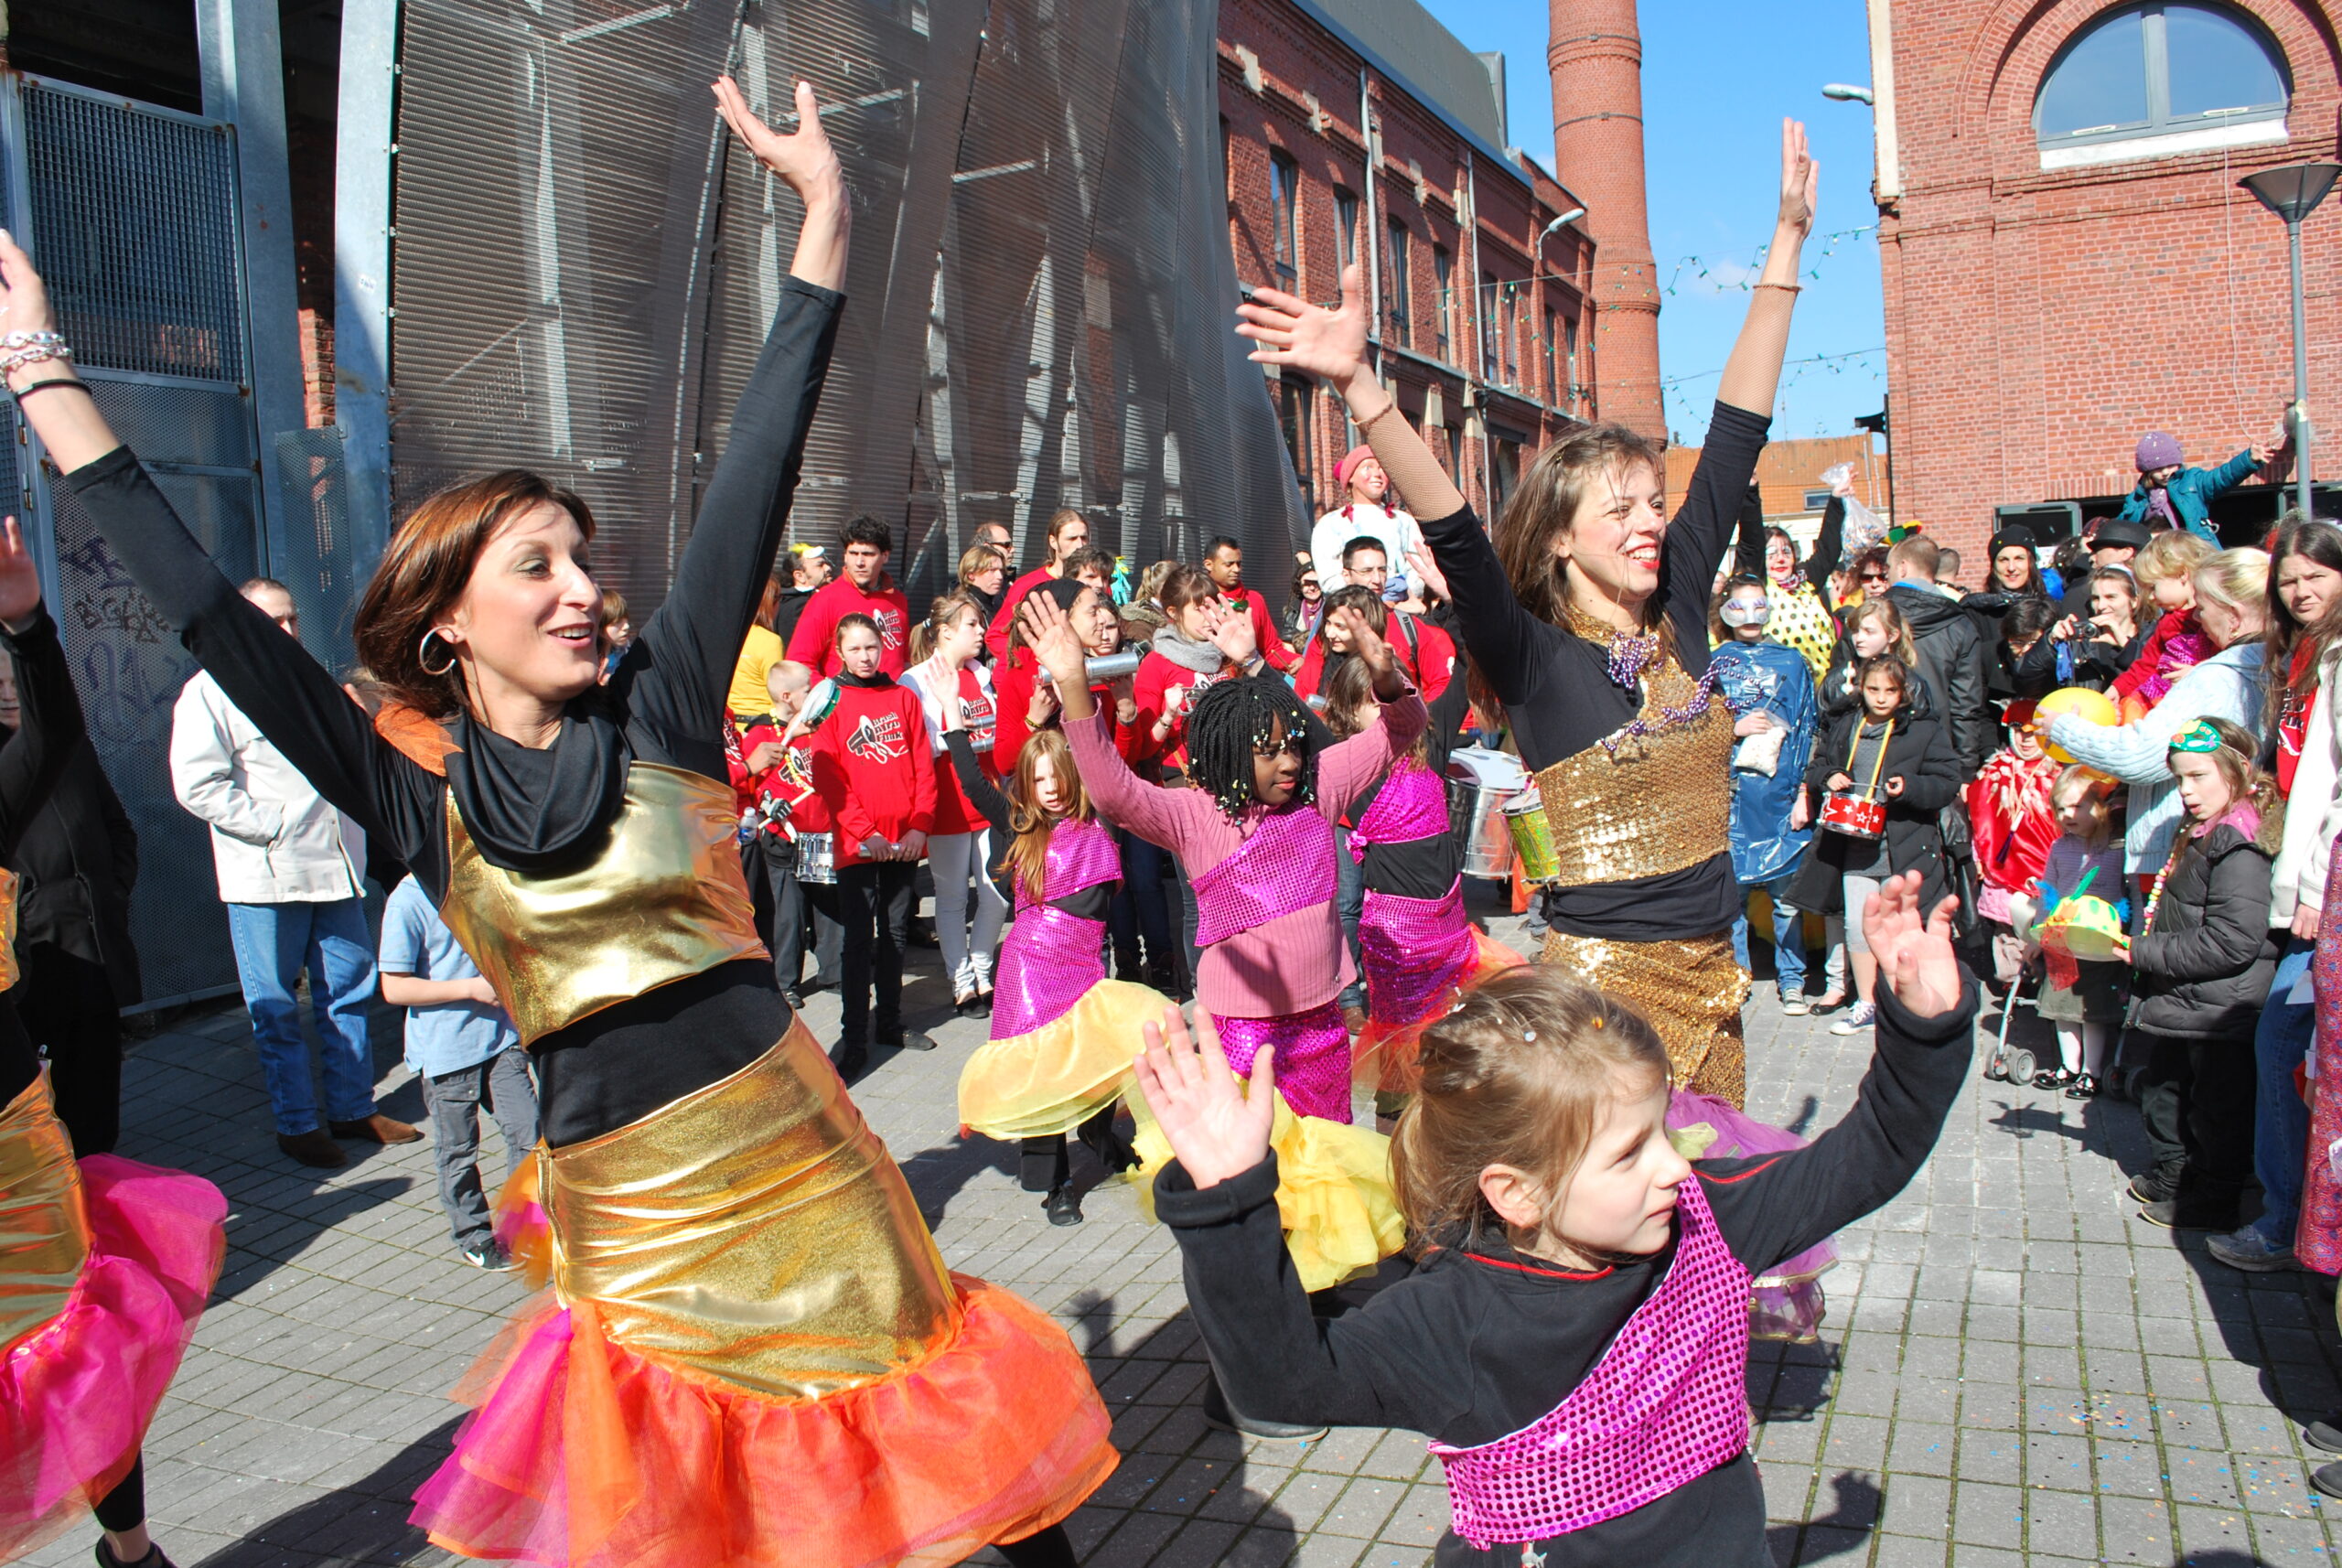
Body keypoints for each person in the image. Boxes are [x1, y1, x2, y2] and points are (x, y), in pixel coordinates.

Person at [20, 80, 1109, 1568]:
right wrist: (39, 367)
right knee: (728, 1526)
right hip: (636, 1237)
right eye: (535, 564)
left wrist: (829, 215)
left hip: (806, 1173)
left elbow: (760, 455)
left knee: (966, 1473)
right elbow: (208, 610)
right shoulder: (413, 797)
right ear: (447, 620)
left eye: (584, 556)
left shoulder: (661, 709)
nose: (582, 584)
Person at [1133, 873, 1975, 1567]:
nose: (1676, 1165)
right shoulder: (1455, 1318)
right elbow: (1283, 1383)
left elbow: (1866, 1158)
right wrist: (1228, 1202)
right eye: (1628, 1153)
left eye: (1658, 1132)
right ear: (1518, 1193)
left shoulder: (1702, 1224)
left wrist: (1924, 1029)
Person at [1239, 118, 1821, 1106]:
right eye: (1620, 509)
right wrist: (1361, 385)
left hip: (1713, 990)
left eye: (1653, 504)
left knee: (1706, 1229)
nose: (1649, 525)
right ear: (1558, 538)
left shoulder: (1676, 608)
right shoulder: (1536, 658)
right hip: (1603, 1008)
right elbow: (1459, 533)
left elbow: (1734, 437)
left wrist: (1788, 247)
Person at [0, 512, 226, 1568]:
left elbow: (47, 739)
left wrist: (29, 627)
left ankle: (130, 1550)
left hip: (11, 1144)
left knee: (75, 1346)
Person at [1050, 594, 1424, 1125]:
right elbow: (1113, 794)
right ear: (1228, 755)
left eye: (1292, 746)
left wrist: (1387, 678)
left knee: (1322, 1172)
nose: (1290, 762)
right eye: (1268, 751)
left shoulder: (1322, 786)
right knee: (1256, 1169)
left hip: (1321, 1024)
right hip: (1240, 1030)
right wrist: (1072, 683)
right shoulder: (1194, 815)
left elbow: (1401, 728)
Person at [169, 576, 414, 1169]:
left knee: (348, 996)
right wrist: (271, 825)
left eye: (291, 619)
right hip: (267, 877)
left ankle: (352, 1109)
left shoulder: (315, 683)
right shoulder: (209, 693)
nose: (285, 631)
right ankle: (297, 1124)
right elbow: (197, 784)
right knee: (276, 1007)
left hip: (336, 869)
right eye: (269, 621)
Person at [942, 718, 1155, 1226]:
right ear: (1026, 785)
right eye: (1038, 779)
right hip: (1029, 969)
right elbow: (973, 784)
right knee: (1042, 1072)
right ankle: (1055, 1184)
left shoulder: (1097, 821)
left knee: (1092, 1059)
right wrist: (952, 721)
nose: (1052, 788)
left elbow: (1112, 768)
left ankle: (1101, 1136)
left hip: (1083, 964)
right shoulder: (1020, 824)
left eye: (1058, 776)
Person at [2218, 516, 2342, 1272]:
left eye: (2315, 577)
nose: (2300, 592)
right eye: (2289, 581)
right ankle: (2291, 1218)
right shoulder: (2303, 656)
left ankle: (2284, 1222)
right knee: (2289, 1050)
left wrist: (2313, 884)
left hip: (2323, 892)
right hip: (2304, 881)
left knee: (2283, 1044)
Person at [1320, 650, 1522, 1101]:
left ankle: (1441, 1132)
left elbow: (1467, 669)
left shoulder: (1430, 743)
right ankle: (1395, 1151)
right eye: (1375, 699)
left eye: (1395, 696)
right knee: (1400, 1051)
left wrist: (1458, 596)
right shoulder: (1345, 768)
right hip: (1398, 936)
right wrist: (1254, 661)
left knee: (1449, 1041)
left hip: (1449, 925)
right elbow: (1307, 724)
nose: (1389, 708)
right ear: (1350, 711)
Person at [2121, 718, 2280, 1231]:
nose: (2187, 791)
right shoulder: (2209, 830)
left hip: (2219, 1006)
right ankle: (2174, 1176)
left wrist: (2141, 952)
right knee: (2166, 1092)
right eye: (2180, 779)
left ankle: (2213, 1200)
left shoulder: (2239, 843)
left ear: (2234, 770)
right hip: (2188, 997)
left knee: (2216, 1111)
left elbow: (2232, 940)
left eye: (2198, 776)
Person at [2047, 550, 2271, 897]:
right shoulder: (2274, 667)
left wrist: (2064, 729)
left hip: (2183, 847)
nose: (2196, 615)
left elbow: (2143, 755)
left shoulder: (2217, 679)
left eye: (2203, 606)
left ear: (2234, 615)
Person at [0, 649, 139, 1156]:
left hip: (96, 942)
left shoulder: (70, 746)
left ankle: (103, 1187)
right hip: (33, 959)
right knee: (44, 1107)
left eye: (17, 679)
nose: (9, 692)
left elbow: (118, 827)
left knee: (99, 1089)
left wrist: (113, 889)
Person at [1789, 656, 1961, 1036]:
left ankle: (1905, 1002)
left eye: (1890, 691)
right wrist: (1829, 775)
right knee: (1857, 927)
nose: (1881, 698)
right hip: (1854, 842)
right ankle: (1866, 1003)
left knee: (1899, 928)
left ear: (1903, 693)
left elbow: (1948, 780)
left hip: (1903, 844)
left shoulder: (1923, 731)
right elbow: (1817, 766)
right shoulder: (1847, 724)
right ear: (1861, 689)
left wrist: (1910, 787)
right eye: (1873, 690)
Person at [378, 874, 539, 1270]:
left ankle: (526, 1228)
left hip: (501, 1041)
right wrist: (469, 989)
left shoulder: (479, 877)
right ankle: (473, 1234)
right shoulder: (407, 901)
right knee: (458, 1150)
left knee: (531, 1134)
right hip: (447, 1055)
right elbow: (394, 989)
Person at [810, 615, 939, 1071]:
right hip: (859, 845)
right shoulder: (830, 700)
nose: (865, 656)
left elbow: (924, 765)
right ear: (840, 652)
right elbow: (827, 775)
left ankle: (889, 1022)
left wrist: (919, 826)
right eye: (856, 648)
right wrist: (868, 834)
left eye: (872, 647)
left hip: (903, 842)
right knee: (858, 940)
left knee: (897, 933)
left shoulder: (902, 697)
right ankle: (854, 1037)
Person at [1712, 577, 1821, 1013]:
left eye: (1757, 605)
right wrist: (1730, 728)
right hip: (1734, 800)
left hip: (1780, 800)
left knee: (1787, 900)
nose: (1750, 617)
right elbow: (1692, 728)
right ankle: (1739, 977)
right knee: (1732, 903)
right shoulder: (1714, 665)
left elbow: (1811, 728)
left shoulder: (1792, 663)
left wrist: (1803, 794)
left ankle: (1791, 979)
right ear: (1726, 612)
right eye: (1739, 607)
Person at [902, 592, 1005, 1016]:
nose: (981, 632)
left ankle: (983, 970)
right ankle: (961, 982)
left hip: (989, 798)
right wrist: (953, 725)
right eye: (972, 625)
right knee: (951, 899)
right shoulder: (916, 679)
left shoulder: (982, 674)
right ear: (944, 633)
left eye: (980, 624)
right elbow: (919, 747)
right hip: (945, 801)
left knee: (997, 893)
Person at [729, 660, 838, 1005]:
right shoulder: (761, 734)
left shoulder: (815, 728)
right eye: (808, 690)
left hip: (818, 830)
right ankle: (785, 981)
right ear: (789, 696)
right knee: (788, 913)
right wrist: (767, 803)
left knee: (828, 908)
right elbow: (751, 783)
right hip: (783, 837)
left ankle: (834, 971)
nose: (812, 694)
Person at [2021, 768, 2128, 1096]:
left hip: (2099, 938)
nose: (2067, 815)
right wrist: (2035, 935)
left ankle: (2091, 1071)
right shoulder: (2060, 847)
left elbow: (2129, 893)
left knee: (2092, 1009)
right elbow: (2048, 891)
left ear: (2099, 805)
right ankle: (2069, 1066)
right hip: (2062, 938)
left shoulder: (2117, 847)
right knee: (2062, 1007)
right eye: (2060, 809)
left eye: (2076, 807)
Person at [1963, 703, 2060, 990]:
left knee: (2045, 927)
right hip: (2004, 867)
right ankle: (2013, 979)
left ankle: (2044, 977)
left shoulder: (2057, 773)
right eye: (2019, 731)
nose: (2026, 739)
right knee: (2007, 930)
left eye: (2034, 732)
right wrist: (1979, 856)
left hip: (2045, 868)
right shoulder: (1995, 773)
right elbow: (1981, 821)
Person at [1882, 535, 1991, 773]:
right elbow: (1966, 705)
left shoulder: (1874, 617)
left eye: (1888, 568)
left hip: (1879, 748)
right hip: (1936, 753)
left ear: (1902, 568)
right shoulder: (1960, 624)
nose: (1885, 576)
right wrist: (1965, 769)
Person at [786, 513, 913, 677]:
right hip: (844, 698)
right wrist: (832, 698)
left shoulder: (898, 600)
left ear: (885, 556)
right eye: (853, 553)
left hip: (893, 700)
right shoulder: (826, 599)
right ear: (845, 556)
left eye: (868, 554)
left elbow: (904, 661)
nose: (859, 562)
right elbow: (798, 662)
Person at [1329, 537, 1458, 694]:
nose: (1377, 579)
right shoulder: (1330, 627)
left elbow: (1440, 682)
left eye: (1382, 570)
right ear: (1346, 575)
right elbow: (1308, 689)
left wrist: (1419, 714)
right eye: (1367, 571)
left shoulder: (1411, 627)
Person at [2110, 529, 2216, 719]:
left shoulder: (2215, 615)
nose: (2150, 597)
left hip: (2204, 702)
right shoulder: (2169, 621)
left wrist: (2201, 673)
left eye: (2153, 587)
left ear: (2182, 574)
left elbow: (2231, 658)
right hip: (2165, 698)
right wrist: (2118, 687)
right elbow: (2147, 663)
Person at [1733, 510, 1842, 680]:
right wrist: (1750, 494)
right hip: (1782, 684)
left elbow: (1828, 551)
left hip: (1823, 685)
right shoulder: (1760, 588)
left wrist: (1838, 498)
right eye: (1771, 554)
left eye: (1786, 552)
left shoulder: (1807, 583)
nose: (1780, 559)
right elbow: (1750, 544)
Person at [2119, 428, 2277, 542]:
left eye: (2171, 465)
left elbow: (2222, 476)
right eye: (2158, 469)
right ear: (2147, 472)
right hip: (2154, 556)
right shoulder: (2137, 498)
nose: (2166, 472)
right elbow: (2122, 530)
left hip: (2191, 552)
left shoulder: (2192, 482)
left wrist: (2249, 459)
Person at [1311, 444, 1424, 598]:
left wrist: (1401, 593)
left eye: (1381, 467)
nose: (1377, 474)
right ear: (1350, 476)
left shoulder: (1405, 521)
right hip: (1351, 611)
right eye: (1368, 467)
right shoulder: (1331, 523)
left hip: (1400, 609)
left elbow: (1419, 567)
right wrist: (1367, 597)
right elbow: (1328, 577)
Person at [985, 508, 1090, 659]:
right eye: (1072, 539)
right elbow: (996, 637)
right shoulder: (1027, 585)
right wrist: (1030, 661)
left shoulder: (1097, 583)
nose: (1080, 545)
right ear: (1053, 541)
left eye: (1084, 538)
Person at [1201, 536, 1300, 673]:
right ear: (1208, 565)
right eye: (1228, 564)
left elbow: (1271, 649)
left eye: (1239, 564)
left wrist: (1297, 661)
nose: (1236, 569)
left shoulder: (1255, 600)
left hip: (1248, 682)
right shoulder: (1197, 601)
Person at [769, 543, 825, 647]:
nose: (828, 568)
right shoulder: (800, 605)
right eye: (820, 565)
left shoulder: (784, 600)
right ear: (799, 576)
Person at [960, 541, 1009, 628]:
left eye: (1001, 571)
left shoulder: (1000, 602)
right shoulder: (963, 608)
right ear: (971, 575)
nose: (1000, 576)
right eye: (992, 570)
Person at [1288, 559, 1326, 648]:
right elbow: (1287, 641)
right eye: (1307, 584)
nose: (1312, 588)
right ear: (1300, 586)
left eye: (1315, 583)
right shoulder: (1293, 611)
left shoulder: (1330, 608)